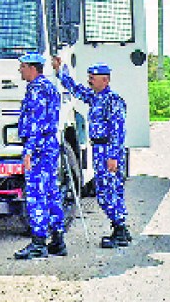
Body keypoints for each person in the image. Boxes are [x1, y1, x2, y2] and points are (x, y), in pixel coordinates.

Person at [53, 57, 132, 248]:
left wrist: (113, 156)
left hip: (108, 150)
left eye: (93, 78)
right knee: (105, 190)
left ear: (105, 80)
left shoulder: (113, 101)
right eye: (89, 77)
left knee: (109, 191)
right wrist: (60, 72)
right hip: (98, 148)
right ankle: (120, 228)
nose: (90, 80)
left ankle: (120, 230)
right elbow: (77, 90)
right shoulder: (96, 97)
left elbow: (118, 131)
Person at [14, 52, 67, 259]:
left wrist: (28, 150)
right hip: (49, 145)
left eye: (23, 66)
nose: (20, 70)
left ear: (32, 68)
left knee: (36, 194)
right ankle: (57, 240)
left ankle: (38, 244)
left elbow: (36, 123)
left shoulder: (36, 89)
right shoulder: (49, 86)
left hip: (38, 147)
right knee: (52, 193)